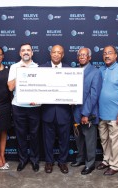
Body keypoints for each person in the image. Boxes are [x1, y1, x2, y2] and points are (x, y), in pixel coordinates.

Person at [97, 45, 118, 176]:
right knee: (104, 139)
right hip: (101, 113)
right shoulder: (100, 70)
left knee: (115, 142)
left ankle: (115, 165)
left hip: (116, 114)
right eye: (105, 53)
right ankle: (106, 160)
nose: (107, 55)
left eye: (110, 53)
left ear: (115, 55)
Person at [8, 43, 41, 172]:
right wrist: (20, 73)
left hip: (34, 107)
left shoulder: (38, 68)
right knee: (20, 135)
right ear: (20, 53)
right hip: (18, 106)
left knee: (35, 135)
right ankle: (22, 160)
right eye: (23, 50)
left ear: (32, 53)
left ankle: (34, 160)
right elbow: (10, 87)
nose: (26, 52)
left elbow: (42, 88)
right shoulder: (14, 67)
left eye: (28, 50)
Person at [40, 45, 72, 174]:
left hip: (64, 112)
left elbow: (73, 89)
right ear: (50, 54)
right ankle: (49, 161)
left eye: (59, 52)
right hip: (47, 112)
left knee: (64, 140)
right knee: (48, 140)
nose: (56, 54)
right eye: (54, 52)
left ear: (63, 55)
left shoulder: (70, 70)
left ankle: (62, 162)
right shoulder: (41, 69)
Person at [71, 47, 102, 175]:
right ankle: (80, 159)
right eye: (80, 55)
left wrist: (85, 113)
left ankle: (90, 164)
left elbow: (93, 95)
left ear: (89, 57)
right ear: (78, 57)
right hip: (75, 112)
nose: (82, 57)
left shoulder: (95, 72)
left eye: (85, 55)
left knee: (89, 141)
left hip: (88, 113)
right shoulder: (75, 72)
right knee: (79, 139)